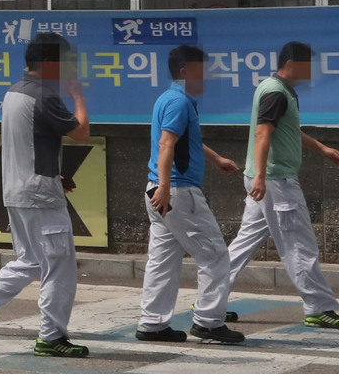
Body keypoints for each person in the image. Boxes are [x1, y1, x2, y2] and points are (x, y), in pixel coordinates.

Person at [0, 32, 91, 358]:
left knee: (32, 260)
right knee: (59, 268)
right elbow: (81, 132)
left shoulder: (14, 92)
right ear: (49, 63)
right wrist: (77, 95)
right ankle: (51, 337)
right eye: (63, 62)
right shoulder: (45, 96)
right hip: (41, 195)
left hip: (18, 191)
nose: (66, 69)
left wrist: (55, 173)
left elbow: (27, 144)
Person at [136, 45, 245, 344]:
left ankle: (152, 325)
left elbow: (186, 140)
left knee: (162, 260)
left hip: (161, 191)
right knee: (216, 257)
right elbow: (166, 145)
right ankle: (209, 322)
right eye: (202, 70)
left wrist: (216, 159)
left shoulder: (172, 99)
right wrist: (166, 187)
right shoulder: (179, 102)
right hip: (177, 191)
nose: (207, 75)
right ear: (185, 72)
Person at [227, 41, 339, 328]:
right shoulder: (276, 92)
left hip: (265, 180)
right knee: (300, 245)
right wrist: (263, 177)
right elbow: (263, 134)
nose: (311, 73)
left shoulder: (276, 89)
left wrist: (323, 149)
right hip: (275, 181)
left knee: (244, 243)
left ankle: (208, 299)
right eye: (307, 66)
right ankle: (319, 307)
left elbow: (287, 131)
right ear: (291, 64)